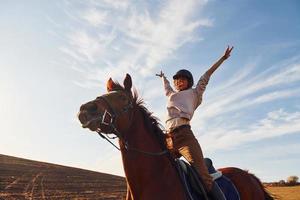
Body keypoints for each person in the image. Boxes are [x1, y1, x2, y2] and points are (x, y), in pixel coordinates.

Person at [157, 46, 233, 200]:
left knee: (203, 176)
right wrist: (163, 78)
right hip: (168, 137)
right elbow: (166, 86)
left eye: (182, 79)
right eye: (177, 80)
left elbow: (207, 75)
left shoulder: (195, 93)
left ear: (189, 81)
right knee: (158, 168)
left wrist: (222, 59)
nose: (179, 82)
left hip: (185, 136)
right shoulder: (171, 94)